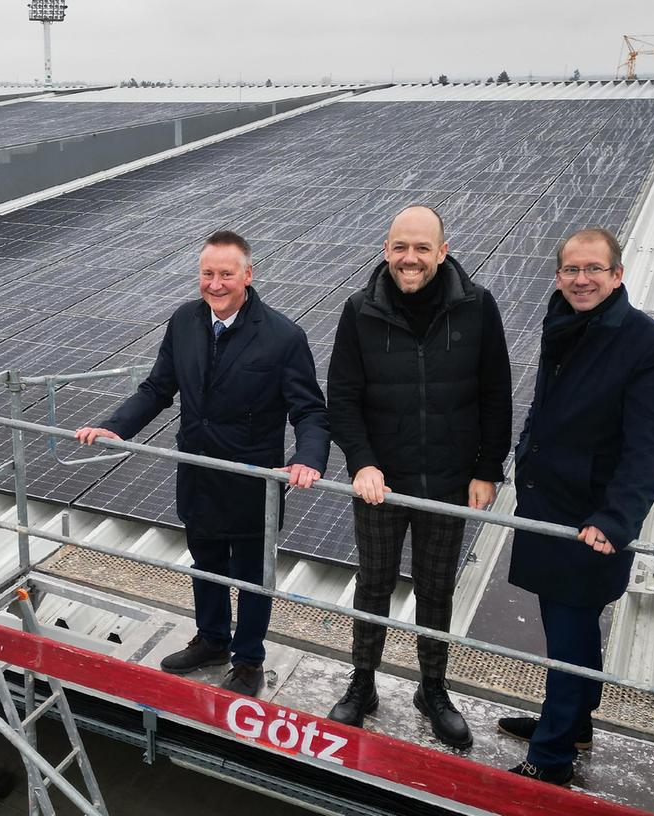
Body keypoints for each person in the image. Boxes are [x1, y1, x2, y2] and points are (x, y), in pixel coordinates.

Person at [76, 229, 330, 697]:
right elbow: (157, 388)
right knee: (205, 563)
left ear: (248, 276)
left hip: (252, 482)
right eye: (207, 274)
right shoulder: (184, 322)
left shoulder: (282, 336)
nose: (215, 283)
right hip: (197, 472)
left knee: (254, 577)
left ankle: (249, 660)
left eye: (226, 274)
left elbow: (310, 410)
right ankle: (212, 640)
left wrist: (308, 459)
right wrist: (117, 426)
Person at [324, 204, 512, 749]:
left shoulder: (477, 308)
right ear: (386, 251)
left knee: (436, 589)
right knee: (374, 584)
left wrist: (486, 468)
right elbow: (343, 398)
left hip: (448, 483)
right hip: (380, 485)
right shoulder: (360, 310)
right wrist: (362, 461)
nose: (411, 258)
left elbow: (496, 393)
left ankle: (433, 689)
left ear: (442, 252)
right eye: (400, 247)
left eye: (422, 248)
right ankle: (363, 684)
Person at [501, 228, 654, 785]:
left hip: (590, 520)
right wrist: (526, 448)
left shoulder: (648, 347)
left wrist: (615, 520)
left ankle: (551, 756)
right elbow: (550, 405)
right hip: (550, 503)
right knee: (567, 628)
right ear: (558, 277)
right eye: (572, 270)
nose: (582, 280)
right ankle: (575, 722)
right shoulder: (566, 324)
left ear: (617, 275)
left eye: (594, 270)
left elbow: (650, 449)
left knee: (572, 629)